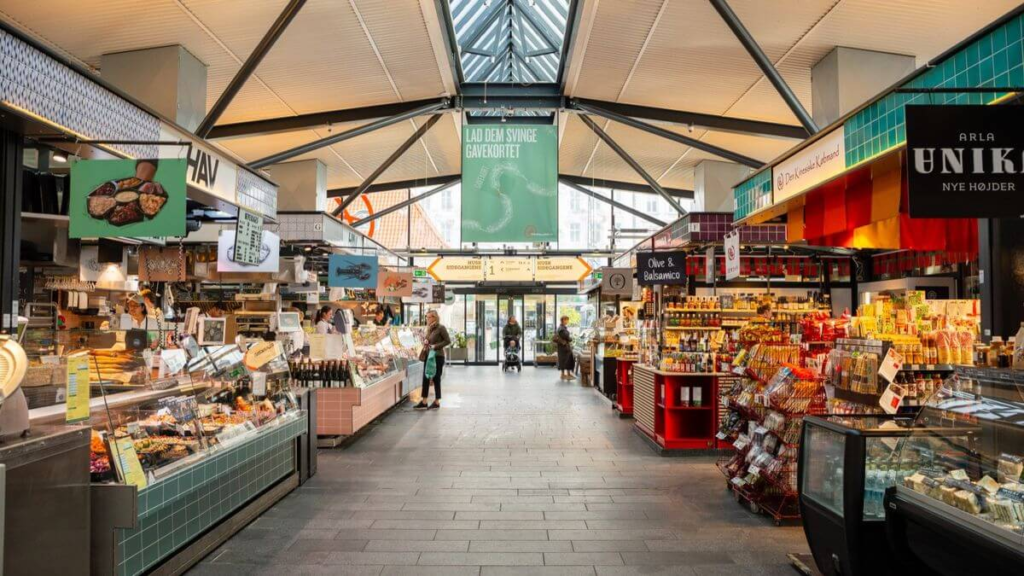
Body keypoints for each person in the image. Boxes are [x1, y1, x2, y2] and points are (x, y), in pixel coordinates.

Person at [416, 310, 451, 409]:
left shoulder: (441, 328)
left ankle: (437, 401)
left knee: (436, 378)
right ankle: (424, 401)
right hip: (428, 355)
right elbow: (428, 340)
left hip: (438, 356)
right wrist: (426, 341)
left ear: (434, 318)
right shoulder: (429, 329)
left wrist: (436, 346)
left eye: (428, 317)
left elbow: (448, 341)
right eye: (426, 317)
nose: (427, 319)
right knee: (425, 377)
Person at [553, 315, 574, 380]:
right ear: (563, 320)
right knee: (565, 361)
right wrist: (570, 339)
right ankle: (563, 375)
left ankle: (567, 374)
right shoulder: (562, 328)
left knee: (565, 360)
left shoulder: (562, 328)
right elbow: (566, 336)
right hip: (564, 347)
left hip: (563, 347)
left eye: (567, 320)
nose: (567, 321)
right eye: (566, 320)